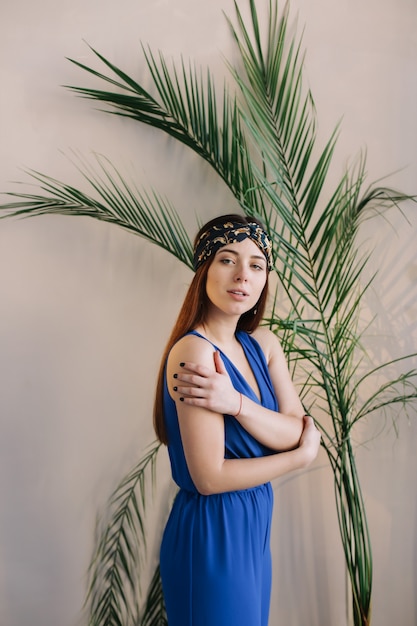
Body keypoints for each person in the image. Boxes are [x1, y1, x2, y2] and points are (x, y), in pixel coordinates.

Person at [153, 214, 321, 626]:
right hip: (213, 532)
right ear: (204, 269)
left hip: (253, 527)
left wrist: (237, 404)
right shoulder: (194, 353)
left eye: (257, 265)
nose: (243, 275)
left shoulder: (263, 345)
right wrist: (298, 459)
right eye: (228, 260)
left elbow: (295, 430)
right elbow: (209, 477)